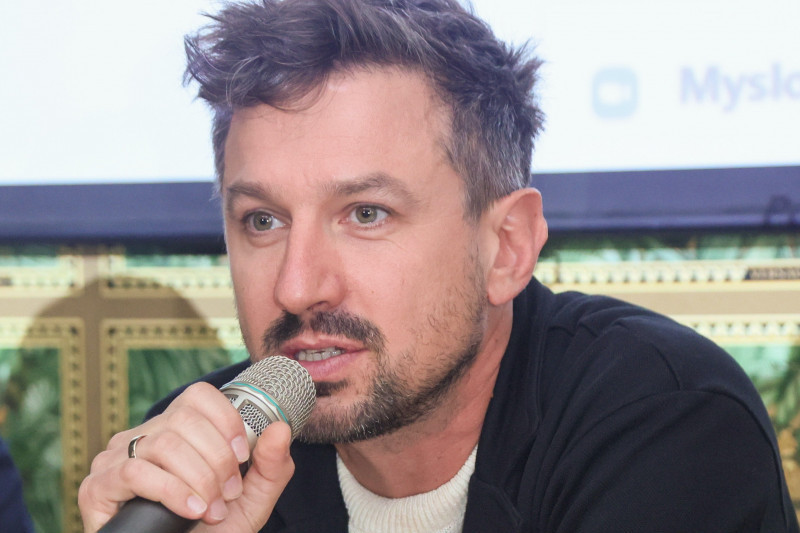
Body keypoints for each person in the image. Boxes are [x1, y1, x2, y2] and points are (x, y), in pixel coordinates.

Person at [78, 0, 799, 531]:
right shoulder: (206, 458)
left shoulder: (662, 422)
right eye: (262, 221)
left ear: (506, 246)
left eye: (366, 214)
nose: (297, 287)